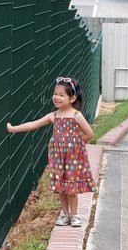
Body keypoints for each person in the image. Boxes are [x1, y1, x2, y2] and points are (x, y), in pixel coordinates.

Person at [7, 77, 96, 227]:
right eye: (55, 93)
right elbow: (33, 125)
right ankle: (65, 215)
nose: (56, 97)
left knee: (71, 187)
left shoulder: (76, 115)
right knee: (61, 187)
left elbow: (89, 134)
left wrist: (76, 146)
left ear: (72, 98)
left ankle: (74, 216)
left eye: (62, 95)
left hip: (73, 158)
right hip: (58, 157)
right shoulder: (53, 116)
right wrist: (13, 128)